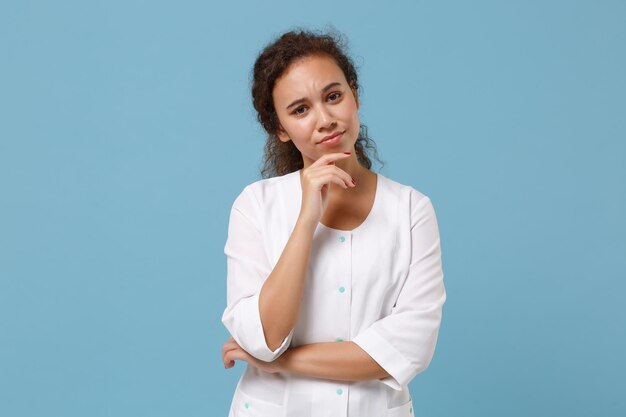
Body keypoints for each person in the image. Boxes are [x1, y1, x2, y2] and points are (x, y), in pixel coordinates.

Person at [220, 28, 447, 417]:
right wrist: (307, 219)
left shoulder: (412, 210)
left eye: (333, 96)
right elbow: (266, 339)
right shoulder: (255, 206)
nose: (325, 120)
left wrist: (282, 363)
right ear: (280, 129)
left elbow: (406, 350)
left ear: (354, 96)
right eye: (300, 109)